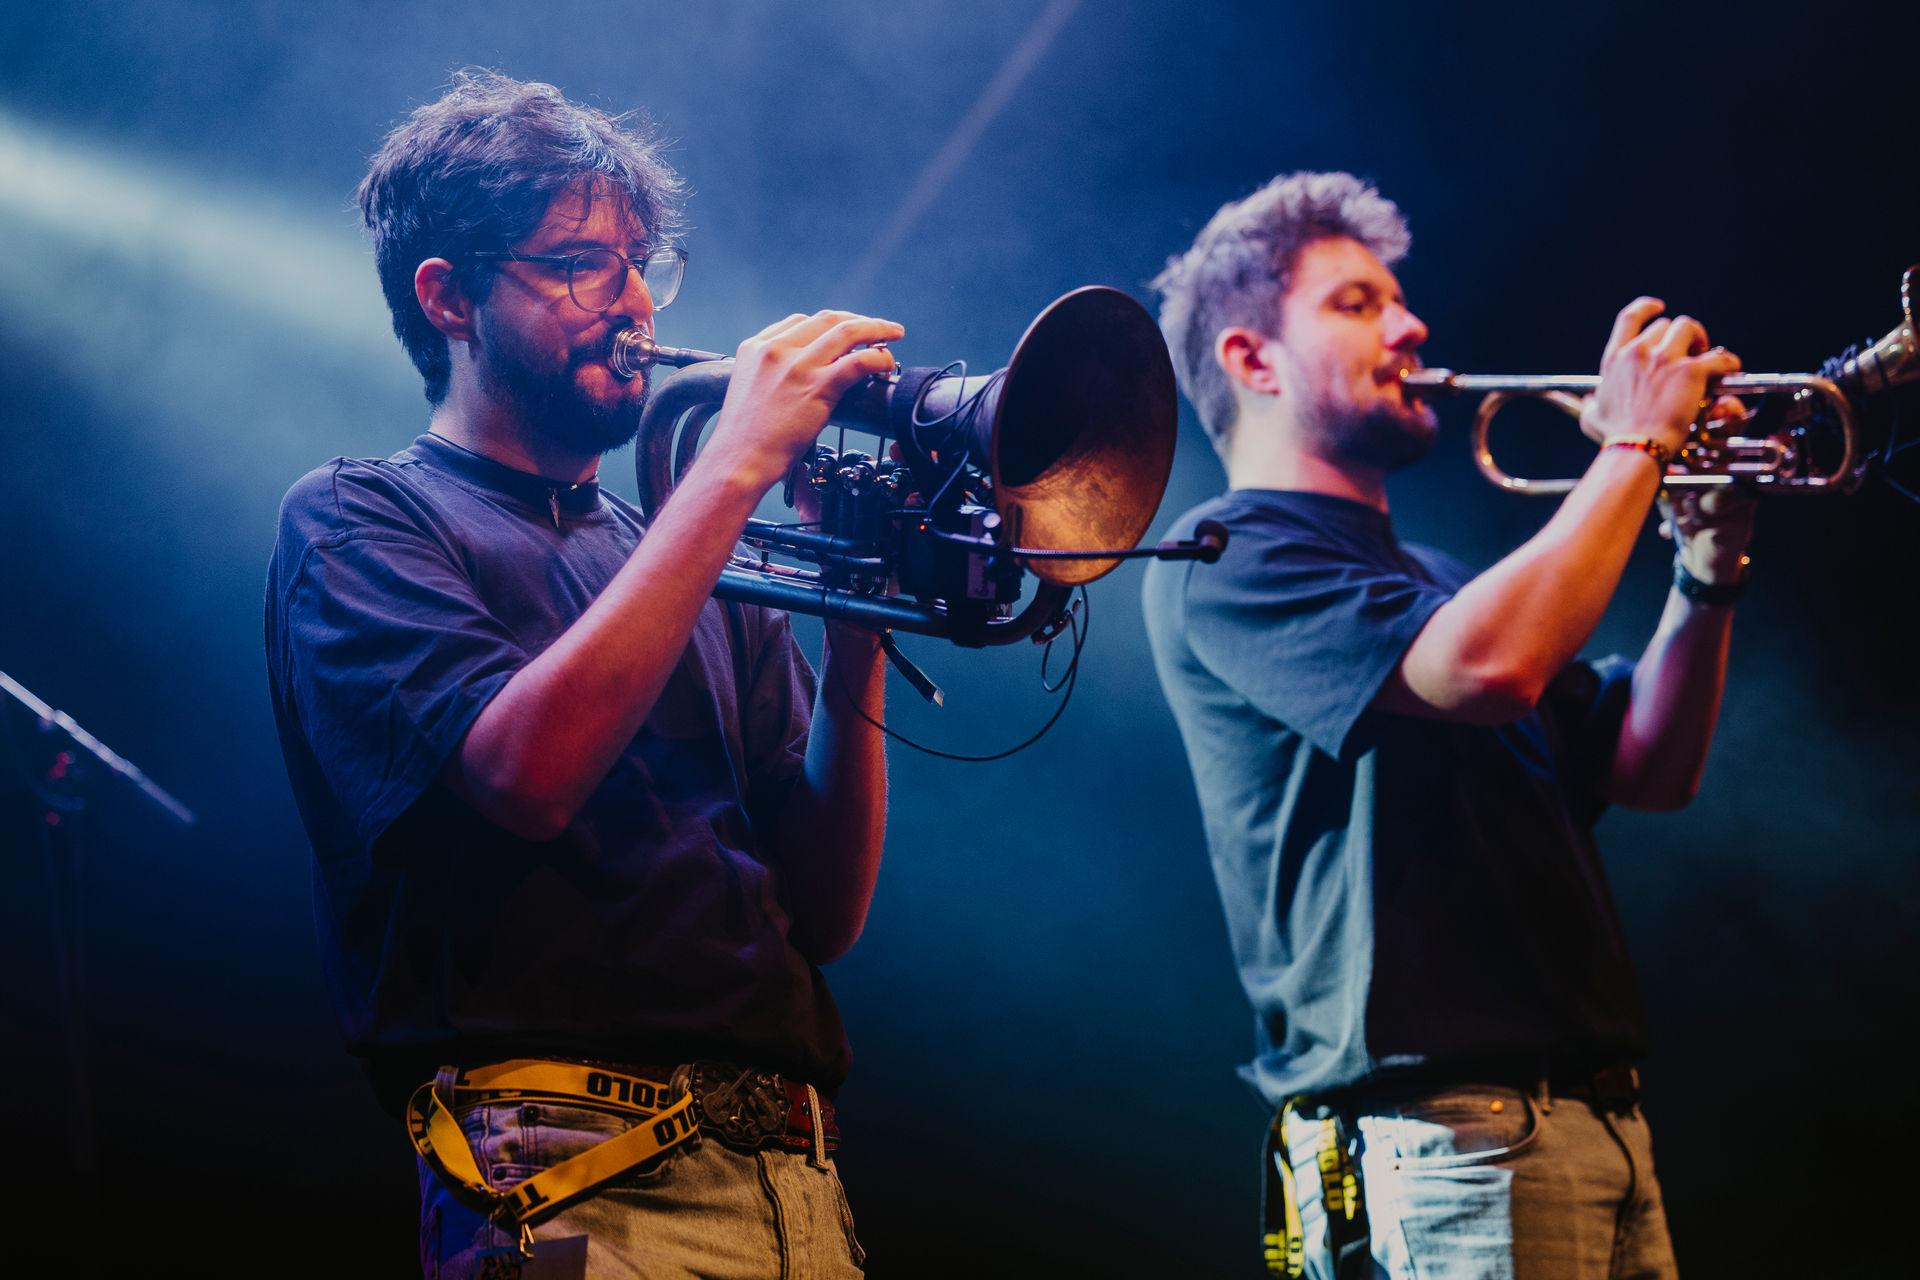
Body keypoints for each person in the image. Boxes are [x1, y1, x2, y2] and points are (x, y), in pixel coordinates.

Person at [265, 71, 893, 1279]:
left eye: (642, 264)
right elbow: (528, 773)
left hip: (797, 1178)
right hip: (568, 1169)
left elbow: (825, 915)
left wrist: (855, 617)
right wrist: (732, 470)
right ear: (448, 297)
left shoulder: (696, 554)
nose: (636, 302)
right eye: (579, 266)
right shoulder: (360, 517)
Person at [1141, 171, 1756, 1278]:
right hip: (1447, 1138)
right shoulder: (1223, 555)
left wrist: (1706, 565)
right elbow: (1489, 666)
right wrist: (1633, 449)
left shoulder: (1437, 577)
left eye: (1398, 299)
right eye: (1357, 303)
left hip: (1594, 1123)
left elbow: (1649, 765)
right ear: (1252, 359)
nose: (1411, 325)